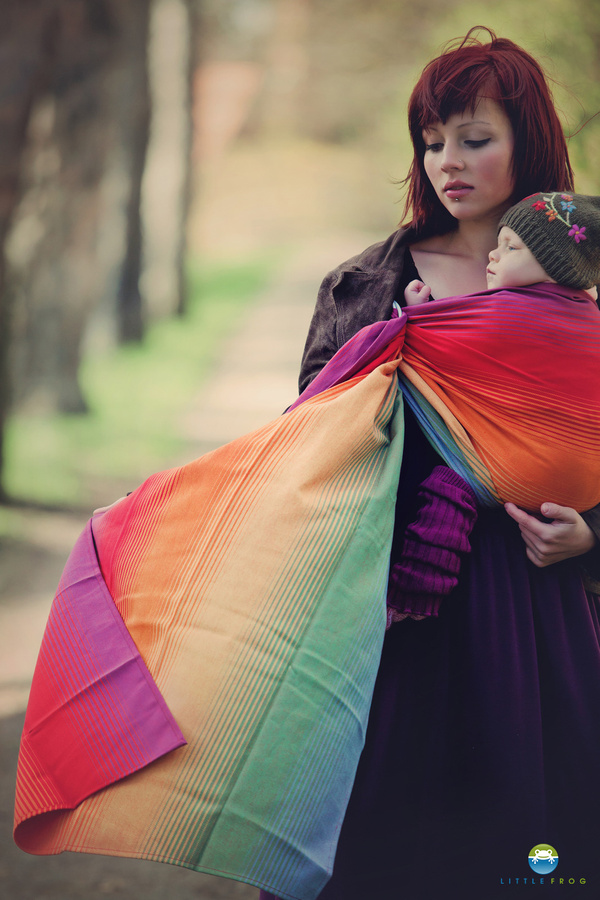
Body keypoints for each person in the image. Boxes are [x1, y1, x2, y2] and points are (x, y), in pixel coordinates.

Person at [261, 27, 600, 900]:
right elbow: (306, 451)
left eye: (475, 138)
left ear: (529, 144)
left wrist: (588, 535)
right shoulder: (362, 285)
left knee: (524, 854)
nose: (447, 159)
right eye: (432, 138)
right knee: (374, 846)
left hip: (530, 612)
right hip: (386, 608)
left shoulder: (583, 301)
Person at [404, 189, 600, 304]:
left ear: (557, 268)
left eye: (511, 248)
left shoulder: (521, 314)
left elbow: (458, 342)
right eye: (499, 245)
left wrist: (417, 313)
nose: (493, 254)